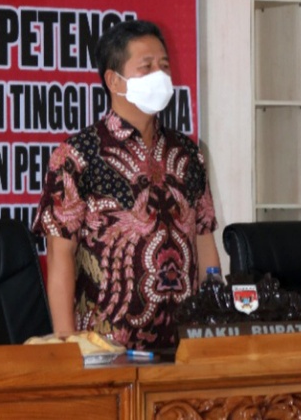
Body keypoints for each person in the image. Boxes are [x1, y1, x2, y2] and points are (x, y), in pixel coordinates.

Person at [33, 19, 220, 350]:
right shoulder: (76, 156)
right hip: (106, 349)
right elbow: (61, 256)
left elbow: (204, 241)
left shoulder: (188, 153)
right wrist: (68, 345)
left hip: (185, 346)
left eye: (164, 66)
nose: (160, 75)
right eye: (146, 67)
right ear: (113, 81)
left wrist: (216, 323)